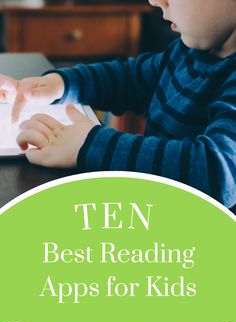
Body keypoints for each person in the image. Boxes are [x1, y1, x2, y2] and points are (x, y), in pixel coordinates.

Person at [0, 0, 235, 210]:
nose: (155, 1)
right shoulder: (188, 51)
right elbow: (131, 79)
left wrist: (89, 144)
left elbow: (216, 172)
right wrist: (60, 84)